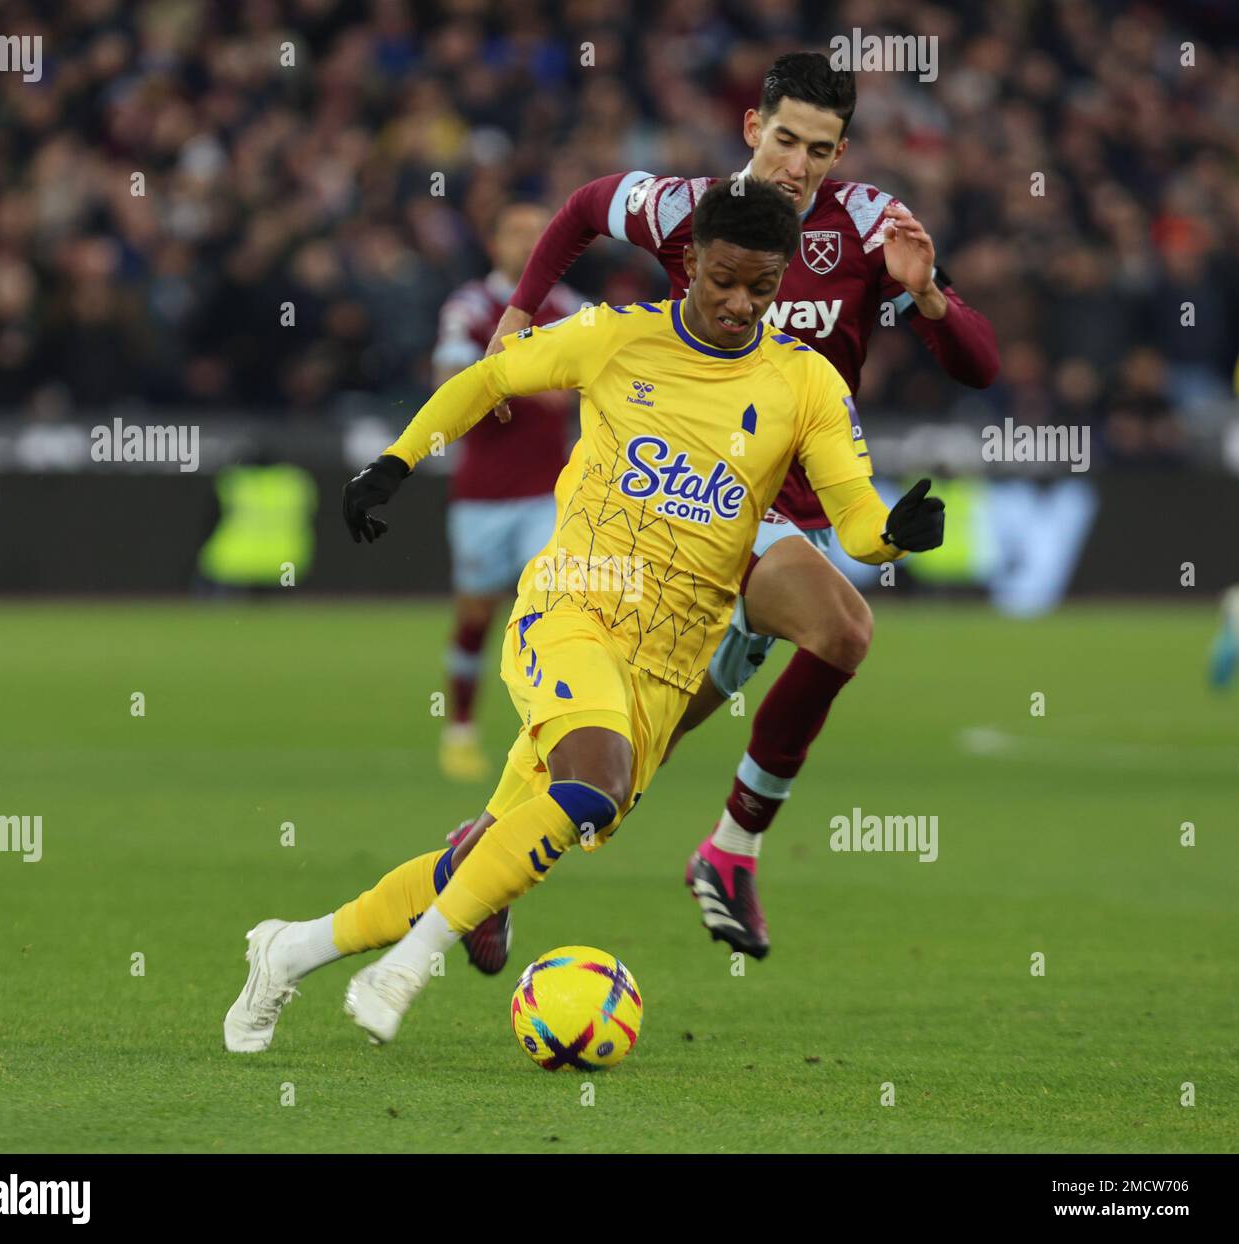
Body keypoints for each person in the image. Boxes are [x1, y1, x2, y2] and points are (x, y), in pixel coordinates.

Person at [223, 178, 945, 1052]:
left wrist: (894, 537)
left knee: (489, 853)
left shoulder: (805, 385)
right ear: (690, 263)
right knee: (593, 784)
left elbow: (857, 520)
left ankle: (291, 950)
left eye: (762, 288)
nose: (739, 302)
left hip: (667, 666)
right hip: (570, 607)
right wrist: (396, 461)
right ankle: (409, 965)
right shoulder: (616, 338)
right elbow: (490, 374)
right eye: (723, 279)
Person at [459, 50, 998, 962]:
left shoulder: (868, 227)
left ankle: (485, 858)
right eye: (784, 138)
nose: (798, 164)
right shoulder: (690, 210)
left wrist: (927, 295)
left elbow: (978, 369)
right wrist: (521, 309)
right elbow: (587, 205)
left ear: (841, 151)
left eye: (819, 149)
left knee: (628, 759)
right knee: (844, 630)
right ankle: (733, 850)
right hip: (696, 508)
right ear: (754, 128)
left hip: (803, 518)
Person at [432, 202, 583, 782]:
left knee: (550, 613)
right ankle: (461, 728)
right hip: (483, 494)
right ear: (494, 242)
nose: (527, 242)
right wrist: (521, 380)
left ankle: (546, 735)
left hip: (548, 493)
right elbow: (448, 383)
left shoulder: (570, 310)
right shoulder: (472, 306)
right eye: (516, 231)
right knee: (476, 615)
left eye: (537, 234)